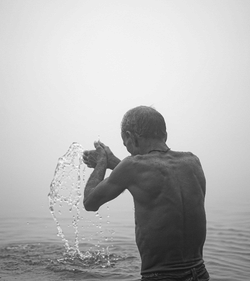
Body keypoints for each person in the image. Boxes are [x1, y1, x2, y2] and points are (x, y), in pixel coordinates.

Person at [82, 106, 209, 281]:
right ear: (164, 135)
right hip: (199, 273)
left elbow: (90, 202)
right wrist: (116, 165)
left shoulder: (132, 167)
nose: (129, 151)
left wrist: (102, 162)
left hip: (161, 276)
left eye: (125, 144)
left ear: (130, 136)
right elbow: (153, 182)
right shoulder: (192, 162)